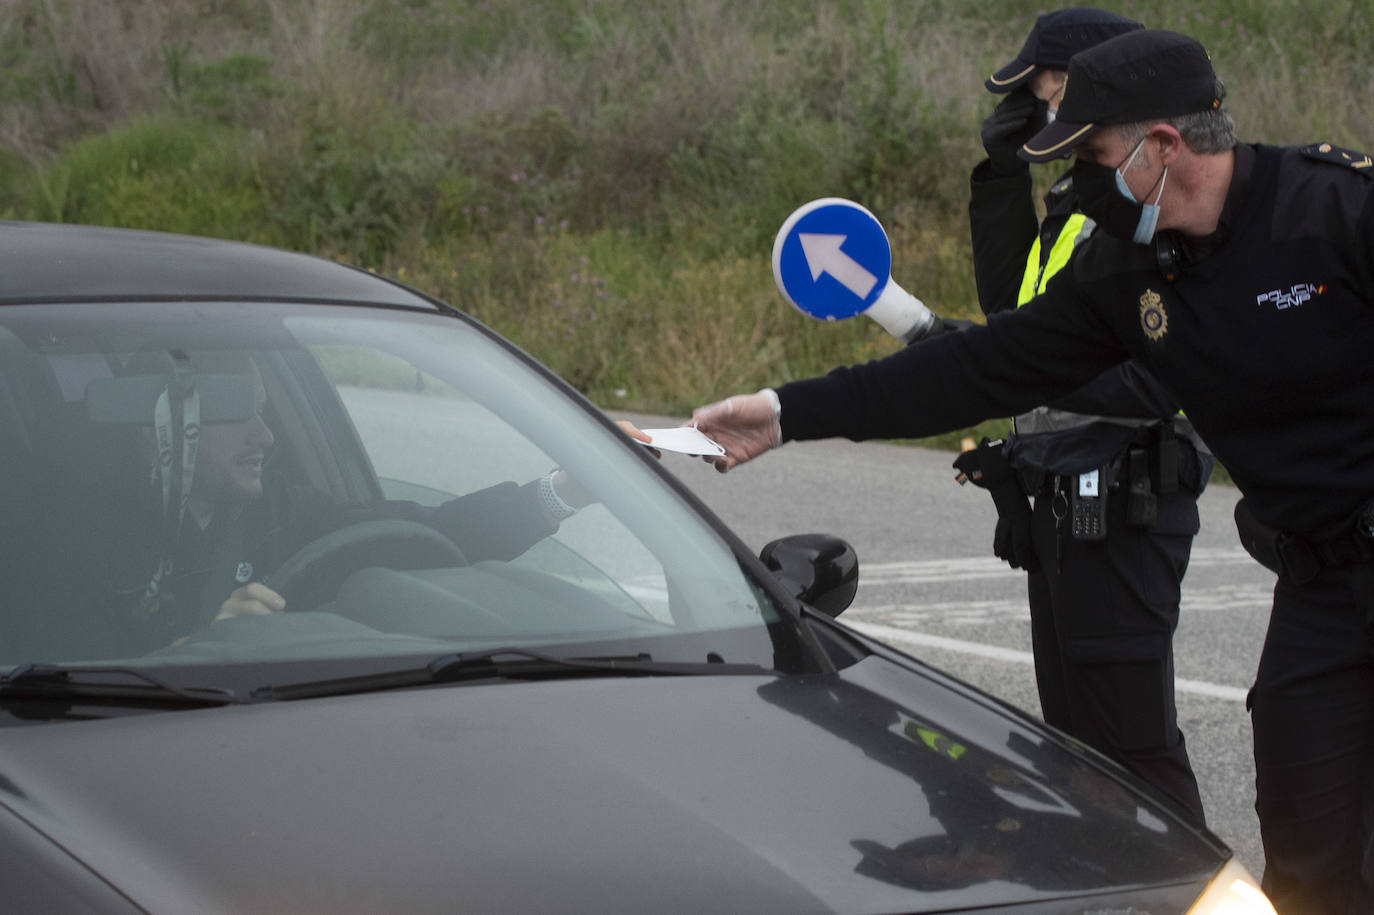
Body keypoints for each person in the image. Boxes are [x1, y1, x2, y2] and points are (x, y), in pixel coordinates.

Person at [691, 28, 1374, 914]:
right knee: (1309, 849)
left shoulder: (1336, 212)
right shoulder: (1135, 270)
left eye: (1094, 154)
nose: (1083, 182)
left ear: (1163, 145)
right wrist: (787, 414)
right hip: (1323, 585)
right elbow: (978, 368)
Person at [957, 7, 1212, 825]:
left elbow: (1148, 373)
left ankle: (1199, 895)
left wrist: (1014, 382)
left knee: (1133, 755)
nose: (1044, 103)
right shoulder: (1076, 200)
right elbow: (1013, 310)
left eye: (1053, 84)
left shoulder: (1147, 202)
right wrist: (1000, 177)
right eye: (1036, 92)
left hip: (1126, 502)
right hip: (1066, 503)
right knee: (1076, 754)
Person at [97, 350, 644, 649]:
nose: (266, 437)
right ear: (162, 426)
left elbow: (430, 535)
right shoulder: (79, 535)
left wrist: (565, 491)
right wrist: (198, 649)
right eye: (241, 412)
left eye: (264, 412)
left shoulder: (282, 510)